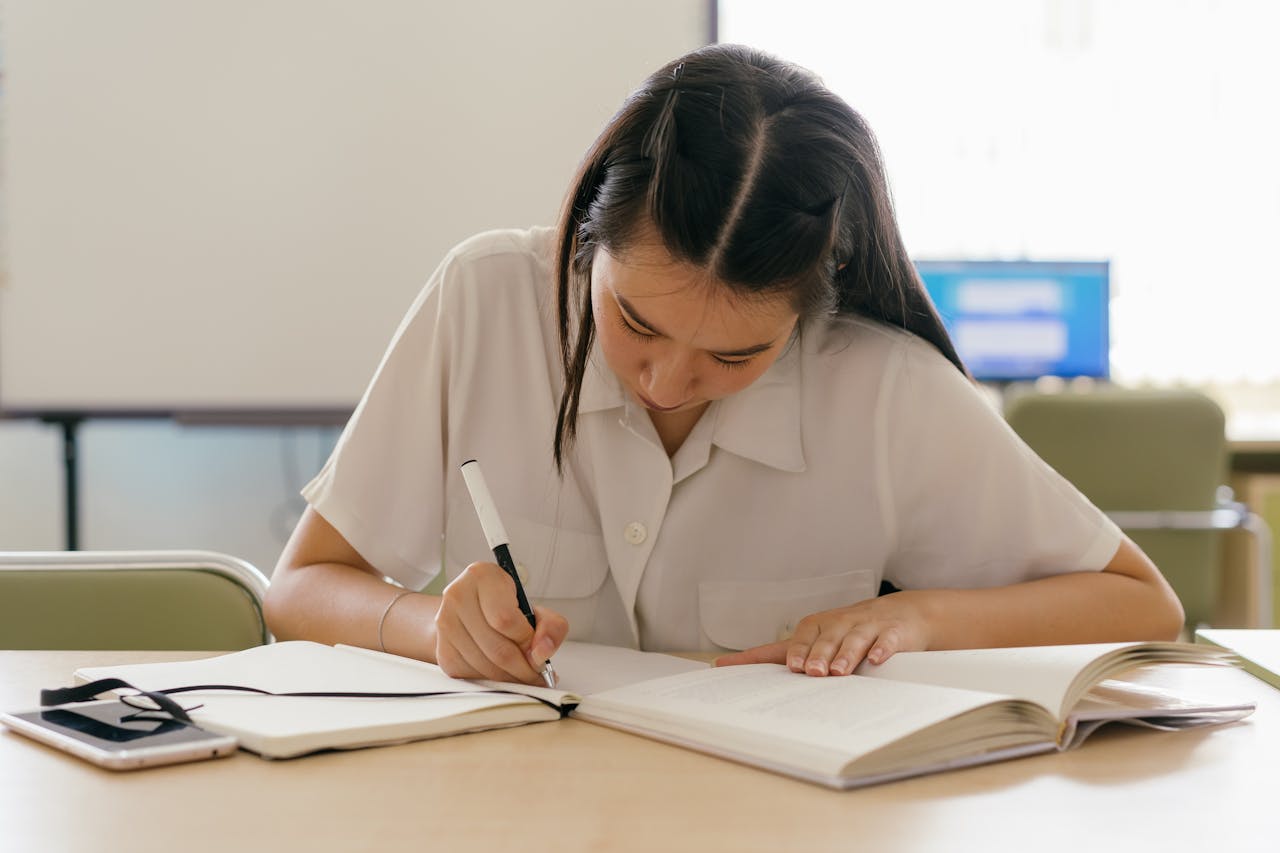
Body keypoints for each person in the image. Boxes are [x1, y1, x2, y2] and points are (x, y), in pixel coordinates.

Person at [264, 44, 1183, 685]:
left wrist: (921, 618)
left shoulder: (883, 389)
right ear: (591, 231)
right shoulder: (484, 299)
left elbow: (1142, 606)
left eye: (735, 354)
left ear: (813, 299)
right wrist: (435, 628)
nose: (665, 383)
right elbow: (300, 588)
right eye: (634, 321)